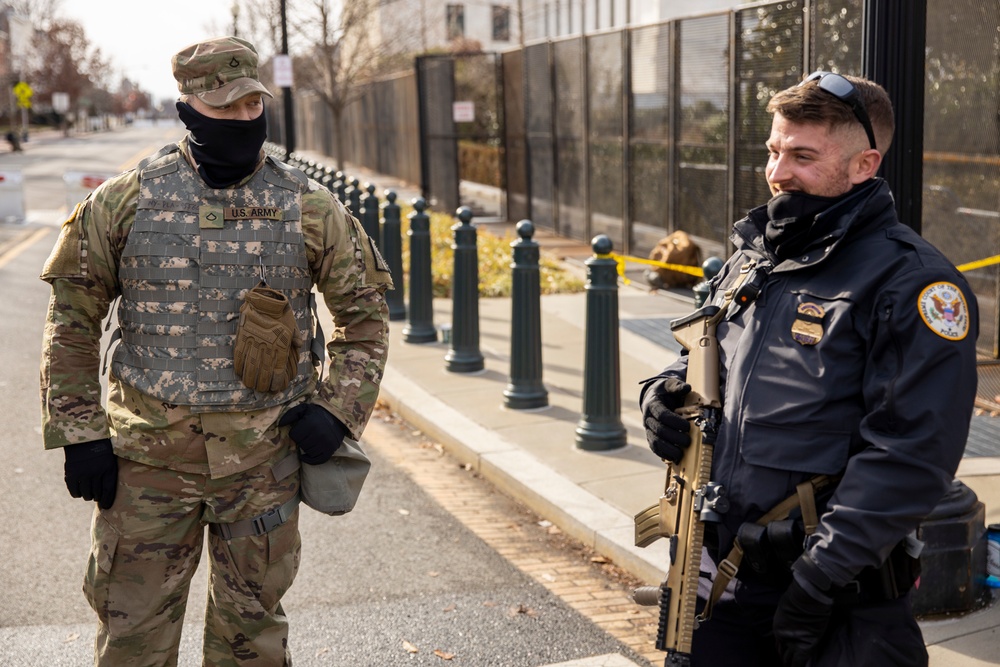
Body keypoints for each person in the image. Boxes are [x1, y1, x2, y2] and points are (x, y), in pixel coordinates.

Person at [39, 36, 391, 665]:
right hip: (147, 468)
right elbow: (72, 323)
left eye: (250, 107)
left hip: (262, 468)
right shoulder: (124, 201)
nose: (239, 121)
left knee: (252, 642)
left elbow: (365, 317)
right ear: (188, 110)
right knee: (132, 641)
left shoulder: (308, 205)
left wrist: (337, 411)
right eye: (222, 109)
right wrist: (79, 432)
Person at [641, 71, 978, 667]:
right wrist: (661, 394)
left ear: (863, 165)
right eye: (774, 150)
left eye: (802, 155)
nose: (776, 172)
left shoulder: (913, 282)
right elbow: (700, 347)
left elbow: (911, 451)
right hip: (714, 573)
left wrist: (820, 577)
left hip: (829, 598)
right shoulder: (756, 253)